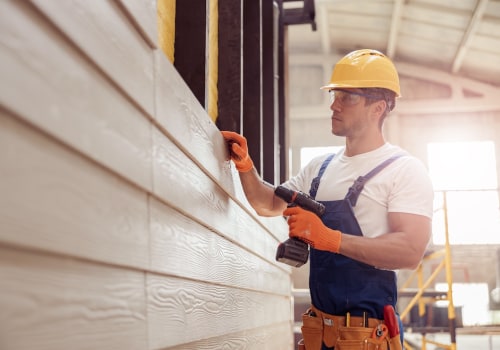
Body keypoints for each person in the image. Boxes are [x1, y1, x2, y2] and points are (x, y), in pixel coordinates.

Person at [221, 49, 434, 350]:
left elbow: (410, 251)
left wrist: (329, 239)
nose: (334, 105)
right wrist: (245, 167)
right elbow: (268, 204)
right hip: (319, 335)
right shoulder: (319, 168)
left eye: (347, 97)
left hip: (366, 339)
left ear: (378, 107)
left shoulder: (403, 169)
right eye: (335, 95)